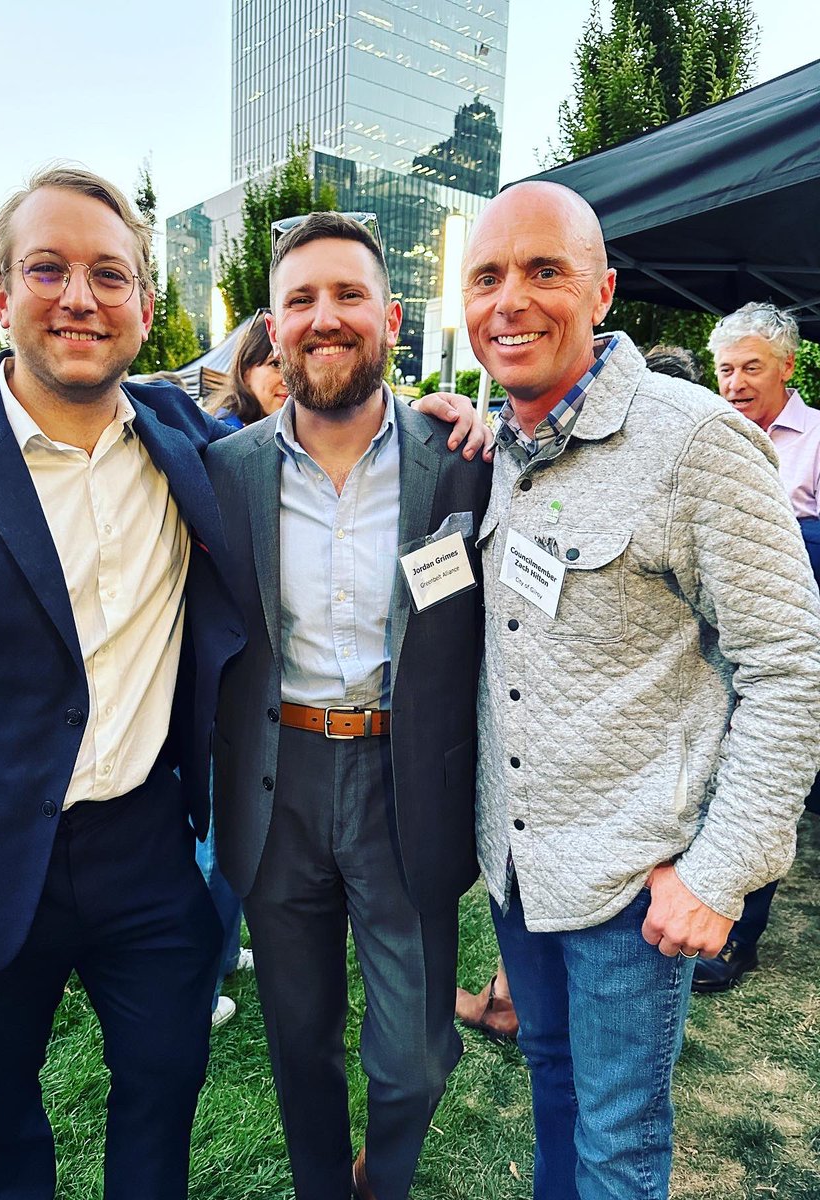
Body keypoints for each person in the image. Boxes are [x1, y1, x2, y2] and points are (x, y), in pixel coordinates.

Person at [0, 165, 247, 1200]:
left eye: (109, 276)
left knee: (165, 1095)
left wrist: (442, 418)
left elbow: (326, 444)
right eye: (48, 269)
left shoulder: (192, 445)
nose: (80, 297)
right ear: (0, 294)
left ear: (146, 309)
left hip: (148, 855)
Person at [463, 181, 820, 1200]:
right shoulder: (496, 448)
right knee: (552, 1093)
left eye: (545, 270)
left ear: (604, 290)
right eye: (487, 277)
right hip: (519, 871)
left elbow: (792, 666)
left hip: (634, 882)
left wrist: (721, 871)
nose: (511, 301)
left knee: (618, 1145)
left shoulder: (694, 440)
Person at [206, 211, 493, 1200]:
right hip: (276, 783)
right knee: (299, 1037)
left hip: (402, 781)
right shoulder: (223, 471)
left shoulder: (462, 459)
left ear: (392, 316)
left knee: (414, 1056)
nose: (324, 317)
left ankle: (389, 1180)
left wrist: (485, 417)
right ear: (274, 328)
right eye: (301, 300)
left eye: (347, 295)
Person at [695, 302, 820, 991]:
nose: (736, 382)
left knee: (763, 779)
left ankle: (740, 936)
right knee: (712, 779)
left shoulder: (818, 440)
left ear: (787, 367)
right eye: (725, 369)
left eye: (751, 367)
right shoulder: (711, 438)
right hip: (710, 647)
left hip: (783, 645)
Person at [199, 312, 290, 1028]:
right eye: (272, 367)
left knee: (236, 828)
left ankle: (225, 950)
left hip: (262, 684)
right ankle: (200, 981)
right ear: (247, 370)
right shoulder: (223, 450)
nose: (286, 380)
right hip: (224, 685)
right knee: (212, 835)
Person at [204, 308, 288, 428]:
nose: (288, 381)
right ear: (245, 371)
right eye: (276, 364)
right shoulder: (225, 436)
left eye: (296, 367)